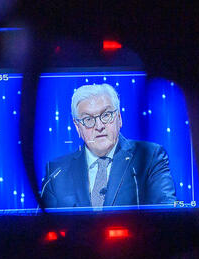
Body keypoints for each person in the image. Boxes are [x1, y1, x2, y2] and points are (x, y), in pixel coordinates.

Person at [40, 83, 176, 208]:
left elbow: (167, 211)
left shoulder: (149, 156)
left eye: (106, 115)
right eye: (88, 119)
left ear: (119, 118)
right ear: (77, 127)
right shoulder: (56, 171)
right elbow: (42, 225)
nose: (99, 126)